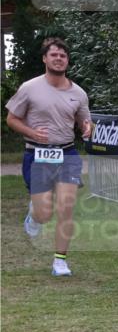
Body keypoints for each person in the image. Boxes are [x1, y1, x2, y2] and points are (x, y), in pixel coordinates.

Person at [5, 37, 92, 277]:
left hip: (67, 153)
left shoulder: (78, 93)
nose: (58, 59)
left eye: (63, 56)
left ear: (67, 61)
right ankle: (34, 215)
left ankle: (60, 262)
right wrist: (32, 132)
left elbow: (85, 121)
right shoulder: (29, 88)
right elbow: (11, 119)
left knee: (66, 208)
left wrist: (88, 128)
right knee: (44, 215)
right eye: (54, 55)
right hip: (37, 154)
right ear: (45, 58)